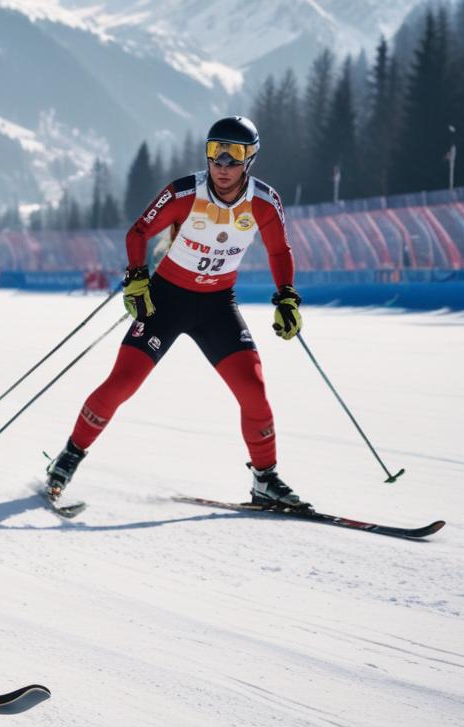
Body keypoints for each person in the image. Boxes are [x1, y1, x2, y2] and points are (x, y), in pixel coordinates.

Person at [45, 116, 305, 508]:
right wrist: (137, 278)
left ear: (249, 159)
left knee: (253, 390)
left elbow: (279, 251)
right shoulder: (185, 192)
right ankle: (67, 460)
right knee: (122, 383)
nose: (221, 164)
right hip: (165, 301)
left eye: (232, 156)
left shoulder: (265, 203)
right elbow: (138, 233)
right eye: (214, 152)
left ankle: (265, 479)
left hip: (217, 306)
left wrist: (287, 297)